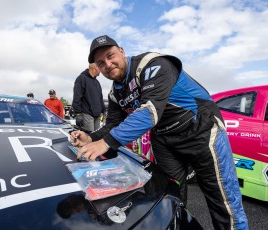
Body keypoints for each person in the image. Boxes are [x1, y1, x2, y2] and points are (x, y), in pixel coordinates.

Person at [70, 35, 248, 230]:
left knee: (223, 203)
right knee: (170, 198)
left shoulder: (153, 64)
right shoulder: (115, 93)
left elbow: (150, 112)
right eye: (101, 63)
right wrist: (92, 137)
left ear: (122, 51)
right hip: (164, 139)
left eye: (110, 56)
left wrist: (105, 143)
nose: (108, 64)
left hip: (200, 129)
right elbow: (112, 124)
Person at [72, 63, 106, 131]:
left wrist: (104, 110)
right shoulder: (81, 78)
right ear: (95, 68)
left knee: (96, 138)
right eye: (99, 67)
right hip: (87, 114)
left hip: (97, 115)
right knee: (89, 138)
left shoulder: (97, 82)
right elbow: (77, 97)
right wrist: (78, 114)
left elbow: (100, 98)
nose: (101, 70)